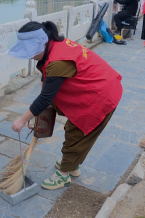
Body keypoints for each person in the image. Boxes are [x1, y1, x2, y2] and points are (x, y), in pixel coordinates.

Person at [8, 21, 123, 190]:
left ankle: (63, 175)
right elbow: (47, 75)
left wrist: (22, 120)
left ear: (43, 42)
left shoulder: (58, 61)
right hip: (94, 87)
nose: (30, 56)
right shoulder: (55, 44)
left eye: (31, 51)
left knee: (76, 135)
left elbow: (45, 99)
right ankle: (71, 164)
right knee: (74, 131)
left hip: (99, 96)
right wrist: (43, 83)